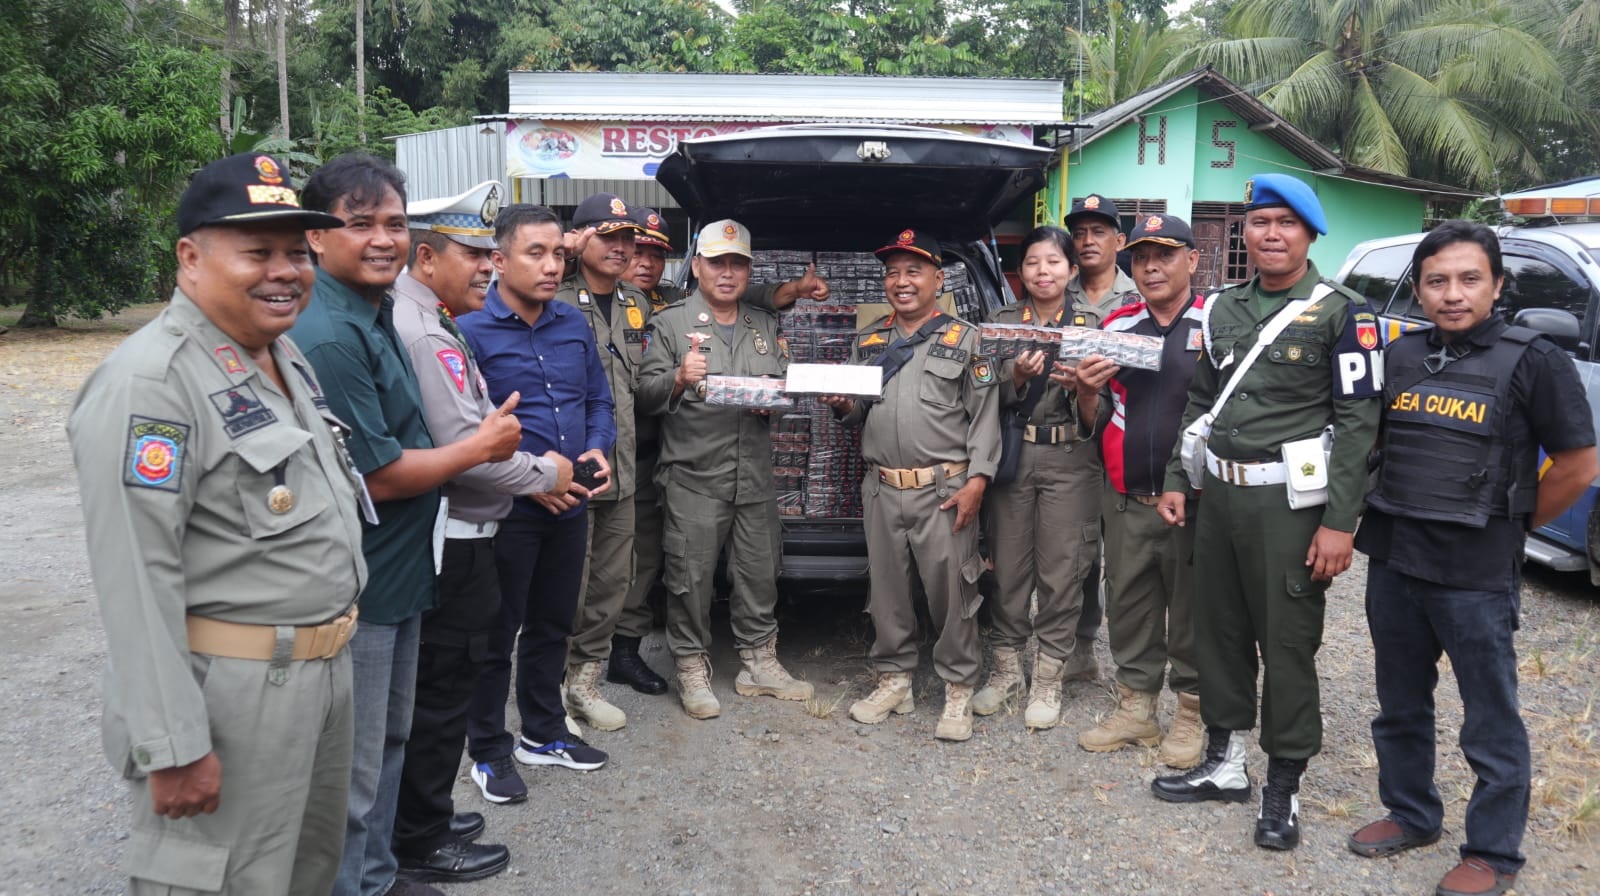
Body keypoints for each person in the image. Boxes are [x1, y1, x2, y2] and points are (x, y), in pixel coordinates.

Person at [68, 153, 362, 895]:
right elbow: (136, 574)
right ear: (190, 257)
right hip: (232, 696)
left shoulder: (276, 353)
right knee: (221, 880)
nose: (285, 270)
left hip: (317, 677)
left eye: (297, 252)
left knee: (304, 876)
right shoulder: (152, 383)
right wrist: (173, 743)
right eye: (258, 251)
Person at [290, 153, 524, 896]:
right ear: (318, 237)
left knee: (392, 739)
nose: (383, 239)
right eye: (360, 224)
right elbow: (379, 472)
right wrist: (477, 449)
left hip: (401, 569)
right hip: (362, 579)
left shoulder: (377, 309)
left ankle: (382, 872)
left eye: (393, 222)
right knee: (355, 766)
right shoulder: (330, 330)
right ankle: (355, 884)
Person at [1346, 221, 1597, 896]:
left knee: (1490, 718)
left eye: (1468, 279)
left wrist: (1511, 522)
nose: (1452, 294)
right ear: (1420, 289)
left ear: (1496, 285)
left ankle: (1493, 851)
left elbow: (1577, 465)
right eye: (1436, 281)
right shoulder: (1401, 354)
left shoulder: (1536, 360)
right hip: (1396, 557)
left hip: (1476, 574)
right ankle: (1411, 812)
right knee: (1399, 703)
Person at [1150, 173, 1384, 852]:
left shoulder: (1344, 312)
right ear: (1243, 233)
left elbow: (1359, 425)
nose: (1272, 234)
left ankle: (1284, 786)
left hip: (1290, 508)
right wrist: (1176, 478)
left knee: (1286, 647)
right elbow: (1201, 401)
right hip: (1217, 499)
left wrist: (1341, 524)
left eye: (1286, 222)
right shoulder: (1221, 307)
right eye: (1260, 222)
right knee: (1217, 634)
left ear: (1310, 233)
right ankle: (1224, 765)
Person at [390, 182, 574, 884]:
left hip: (468, 528)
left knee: (444, 683)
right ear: (428, 257)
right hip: (457, 534)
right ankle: (423, 837)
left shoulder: (432, 320)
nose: (486, 270)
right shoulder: (423, 330)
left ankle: (424, 817)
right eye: (474, 255)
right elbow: (473, 447)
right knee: (443, 693)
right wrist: (547, 475)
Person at [460, 204, 616, 799]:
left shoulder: (573, 325)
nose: (552, 266)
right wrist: (533, 481)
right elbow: (467, 429)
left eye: (559, 254)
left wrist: (599, 449)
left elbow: (598, 401)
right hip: (507, 509)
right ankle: (489, 748)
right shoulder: (469, 330)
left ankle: (543, 732)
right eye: (536, 253)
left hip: (571, 501)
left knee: (553, 624)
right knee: (496, 632)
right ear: (499, 260)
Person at [826, 228, 1001, 742]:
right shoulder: (871, 340)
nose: (901, 282)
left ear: (937, 279)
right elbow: (858, 410)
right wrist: (841, 404)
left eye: (913, 271)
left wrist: (979, 481)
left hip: (944, 489)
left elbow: (985, 417)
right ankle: (894, 679)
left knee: (952, 592)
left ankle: (958, 687)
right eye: (893, 272)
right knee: (887, 592)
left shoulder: (967, 340)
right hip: (882, 487)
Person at [636, 219, 815, 720]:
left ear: (748, 270)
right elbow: (644, 397)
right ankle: (691, 666)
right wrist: (676, 378)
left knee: (759, 572)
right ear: (697, 267)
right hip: (694, 476)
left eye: (738, 263)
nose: (728, 272)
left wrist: (773, 401)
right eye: (717, 262)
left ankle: (759, 662)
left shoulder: (763, 324)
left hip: (754, 476)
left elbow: (781, 385)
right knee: (689, 578)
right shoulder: (670, 324)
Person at [1074, 214, 1206, 768]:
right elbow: (1097, 413)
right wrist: (1084, 390)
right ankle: (1137, 709)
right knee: (1129, 606)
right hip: (1127, 498)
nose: (1151, 268)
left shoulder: (1218, 321)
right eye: (1142, 259)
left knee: (1196, 611)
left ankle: (1193, 714)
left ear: (1192, 261)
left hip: (1195, 502)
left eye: (1166, 256)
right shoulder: (1119, 326)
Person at [970, 226, 1103, 731]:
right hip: (1014, 457)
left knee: (1063, 570)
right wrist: (1016, 379)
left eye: (1053, 262)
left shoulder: (1095, 324)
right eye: (1031, 263)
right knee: (1007, 567)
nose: (1042, 272)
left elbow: (1105, 414)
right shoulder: (1002, 322)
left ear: (1072, 269)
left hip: (1071, 458)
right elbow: (978, 395)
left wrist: (1087, 391)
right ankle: (1006, 671)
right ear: (1019, 272)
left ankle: (1049, 674)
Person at [556, 193, 656, 730]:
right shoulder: (553, 296)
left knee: (612, 582)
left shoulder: (636, 302)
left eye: (627, 239)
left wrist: (683, 381)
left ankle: (585, 685)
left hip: (622, 469)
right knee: (564, 583)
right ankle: (548, 691)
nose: (621, 248)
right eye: (607, 236)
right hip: (566, 469)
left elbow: (643, 387)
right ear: (579, 240)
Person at [1063, 193, 1141, 682]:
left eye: (1099, 231)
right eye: (1079, 232)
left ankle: (1138, 665)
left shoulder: (1141, 297)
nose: (1087, 240)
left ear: (1120, 240)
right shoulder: (1057, 294)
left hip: (1127, 447)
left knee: (1129, 559)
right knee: (1080, 553)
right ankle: (1080, 646)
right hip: (1072, 446)